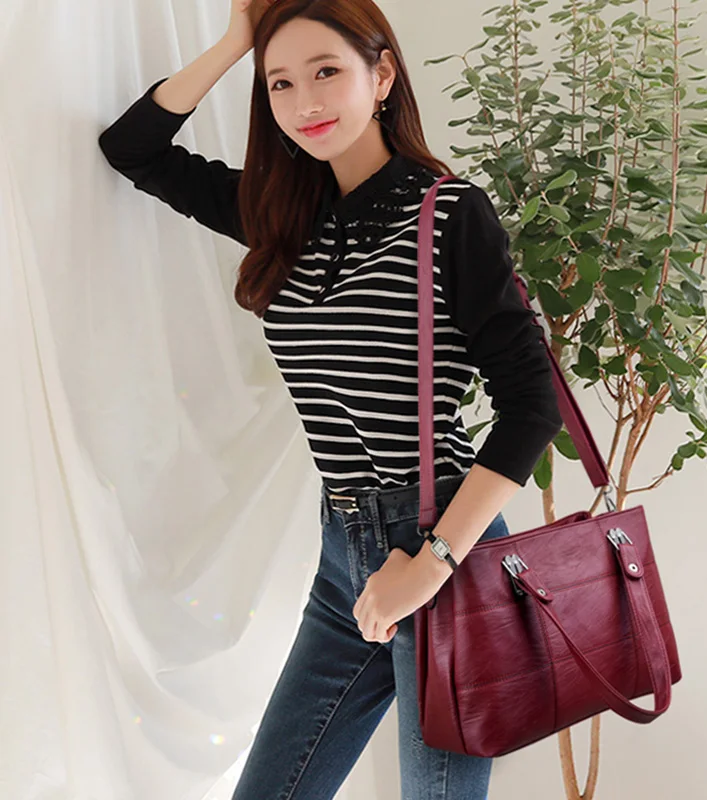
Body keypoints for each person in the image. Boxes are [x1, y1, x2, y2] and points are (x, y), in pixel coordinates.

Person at [97, 1, 562, 797]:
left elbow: (533, 405)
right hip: (344, 552)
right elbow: (132, 148)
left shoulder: (448, 213)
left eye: (326, 72)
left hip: (442, 546)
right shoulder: (284, 217)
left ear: (381, 76)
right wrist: (236, 42)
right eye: (281, 83)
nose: (305, 102)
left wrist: (430, 567)